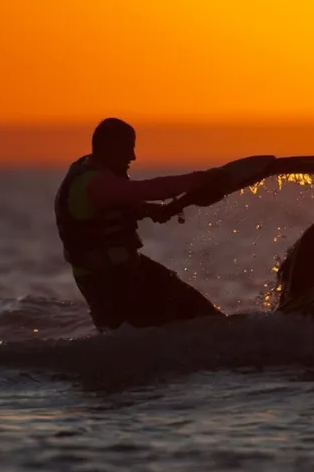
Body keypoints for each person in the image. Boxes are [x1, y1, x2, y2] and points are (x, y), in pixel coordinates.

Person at [55, 118, 224, 331]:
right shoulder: (92, 183)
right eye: (128, 149)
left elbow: (117, 206)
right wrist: (202, 178)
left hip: (130, 271)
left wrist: (149, 211)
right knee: (156, 330)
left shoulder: (92, 173)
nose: (133, 157)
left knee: (205, 316)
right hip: (107, 283)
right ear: (109, 148)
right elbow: (148, 190)